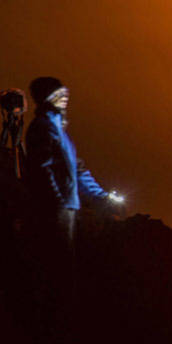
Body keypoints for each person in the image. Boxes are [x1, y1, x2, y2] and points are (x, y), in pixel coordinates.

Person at [25, 76, 124, 257]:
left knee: (65, 262)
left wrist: (101, 196)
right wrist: (58, 203)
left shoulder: (59, 132)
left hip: (66, 209)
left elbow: (77, 170)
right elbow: (41, 170)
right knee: (56, 262)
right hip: (54, 211)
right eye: (59, 93)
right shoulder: (42, 128)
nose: (65, 97)